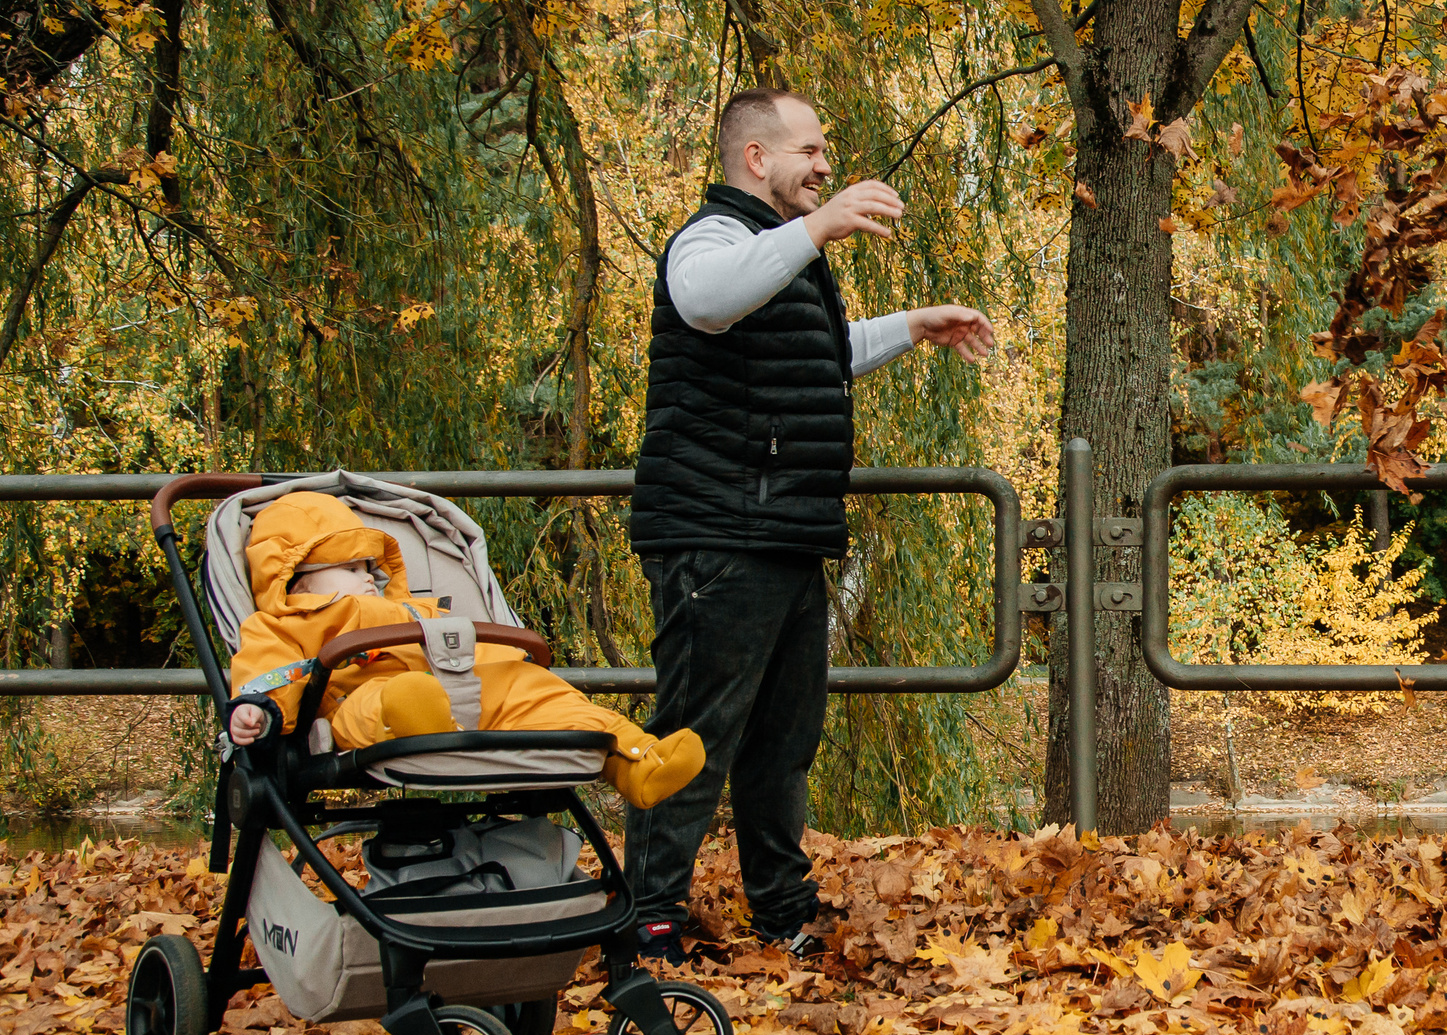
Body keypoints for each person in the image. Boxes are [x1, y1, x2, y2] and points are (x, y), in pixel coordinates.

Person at [627, 87, 995, 959]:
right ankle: (647, 924)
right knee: (693, 738)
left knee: (784, 740)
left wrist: (912, 326)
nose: (827, 166)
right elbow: (709, 300)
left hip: (785, 533)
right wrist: (821, 226)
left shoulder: (778, 255)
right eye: (811, 150)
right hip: (718, 535)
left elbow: (816, 354)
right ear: (757, 158)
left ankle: (783, 912)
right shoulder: (713, 240)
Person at [225, 491, 703, 808]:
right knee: (385, 702)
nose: (368, 577)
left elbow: (472, 645)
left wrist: (510, 664)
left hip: (457, 686)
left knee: (538, 689)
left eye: (371, 566)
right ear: (297, 577)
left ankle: (636, 759)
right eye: (351, 567)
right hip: (359, 699)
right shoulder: (280, 624)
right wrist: (256, 712)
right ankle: (419, 723)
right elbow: (263, 673)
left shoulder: (413, 609)